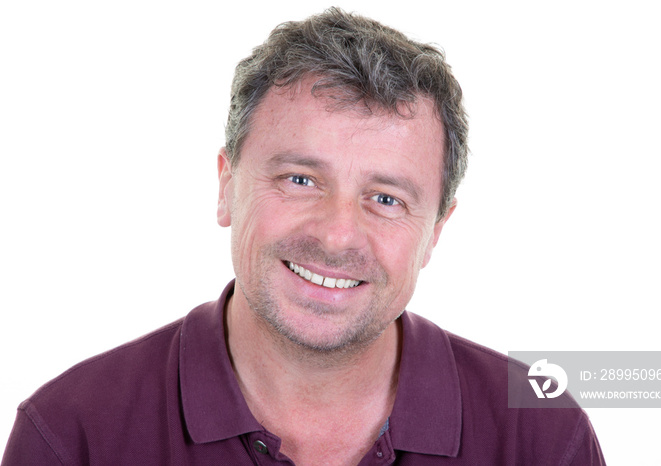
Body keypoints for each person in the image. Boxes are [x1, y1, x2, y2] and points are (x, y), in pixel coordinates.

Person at [2, 8, 605, 465]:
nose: (339, 234)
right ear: (225, 187)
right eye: (300, 179)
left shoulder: (542, 438)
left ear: (436, 233)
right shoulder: (73, 436)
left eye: (386, 199)